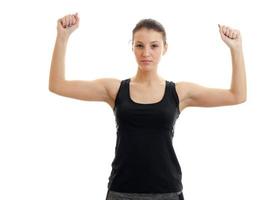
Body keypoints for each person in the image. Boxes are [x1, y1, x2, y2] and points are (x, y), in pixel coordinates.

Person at [49, 12, 247, 200]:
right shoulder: (115, 89)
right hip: (122, 191)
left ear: (165, 48)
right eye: (139, 45)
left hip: (166, 192)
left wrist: (236, 48)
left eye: (154, 46)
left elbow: (236, 95)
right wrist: (63, 37)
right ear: (132, 47)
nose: (146, 53)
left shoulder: (179, 92)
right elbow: (58, 85)